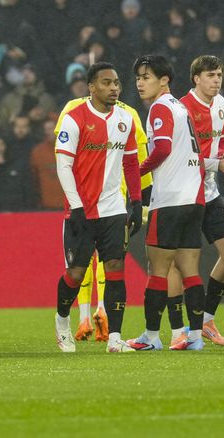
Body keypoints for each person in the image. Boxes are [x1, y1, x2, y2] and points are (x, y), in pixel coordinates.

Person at [53, 62, 143, 353]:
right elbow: (63, 165)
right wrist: (76, 206)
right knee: (76, 274)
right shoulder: (73, 118)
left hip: (113, 209)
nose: (114, 87)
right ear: (91, 87)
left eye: (116, 82)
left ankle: (115, 338)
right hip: (81, 211)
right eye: (106, 83)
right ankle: (63, 322)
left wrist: (138, 200)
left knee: (116, 269)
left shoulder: (126, 119)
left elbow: (131, 161)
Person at [127, 55, 206, 352]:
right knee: (190, 270)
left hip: (170, 199)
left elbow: (162, 148)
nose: (139, 82)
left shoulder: (160, 108)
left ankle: (151, 336)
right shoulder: (181, 107)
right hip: (193, 198)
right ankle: (195, 337)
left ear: (164, 80)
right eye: (138, 77)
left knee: (157, 270)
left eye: (146, 76)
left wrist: (136, 171)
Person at [166, 55, 224, 348]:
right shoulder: (181, 109)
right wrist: (218, 164)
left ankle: (207, 320)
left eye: (219, 75)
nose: (216, 80)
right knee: (177, 262)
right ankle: (177, 331)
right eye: (210, 75)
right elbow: (181, 155)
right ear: (196, 78)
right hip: (183, 193)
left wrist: (222, 158)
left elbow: (219, 141)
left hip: (208, 192)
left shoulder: (221, 105)